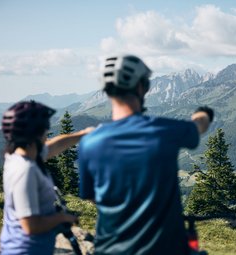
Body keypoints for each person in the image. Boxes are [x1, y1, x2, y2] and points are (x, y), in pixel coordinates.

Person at [79, 55, 213, 255]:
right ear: (142, 87)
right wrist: (204, 113)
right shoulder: (163, 131)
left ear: (106, 91)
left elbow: (91, 195)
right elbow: (199, 126)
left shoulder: (89, 143)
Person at [0, 101, 94, 255]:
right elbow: (30, 225)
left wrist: (83, 134)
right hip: (26, 250)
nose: (47, 132)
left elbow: (55, 146)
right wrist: (62, 218)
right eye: (44, 128)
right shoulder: (25, 170)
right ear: (35, 134)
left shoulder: (22, 156)